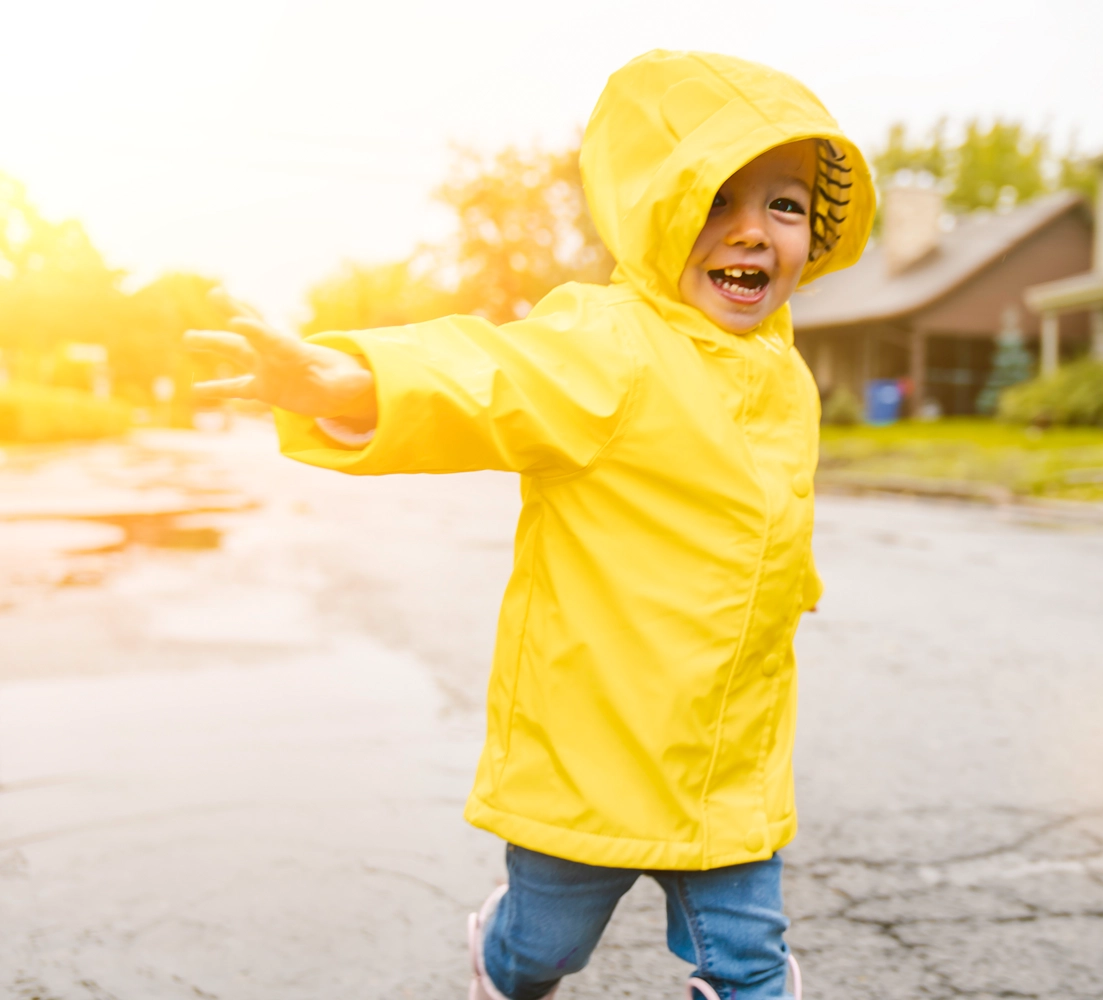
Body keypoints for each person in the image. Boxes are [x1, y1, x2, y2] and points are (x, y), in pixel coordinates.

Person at [185, 50, 872, 1000]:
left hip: (730, 754)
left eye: (786, 205)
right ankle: (497, 952)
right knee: (543, 952)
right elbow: (493, 377)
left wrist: (795, 590)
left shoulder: (784, 373)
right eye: (718, 202)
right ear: (657, 211)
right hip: (594, 746)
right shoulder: (613, 345)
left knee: (749, 963)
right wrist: (349, 382)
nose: (753, 233)